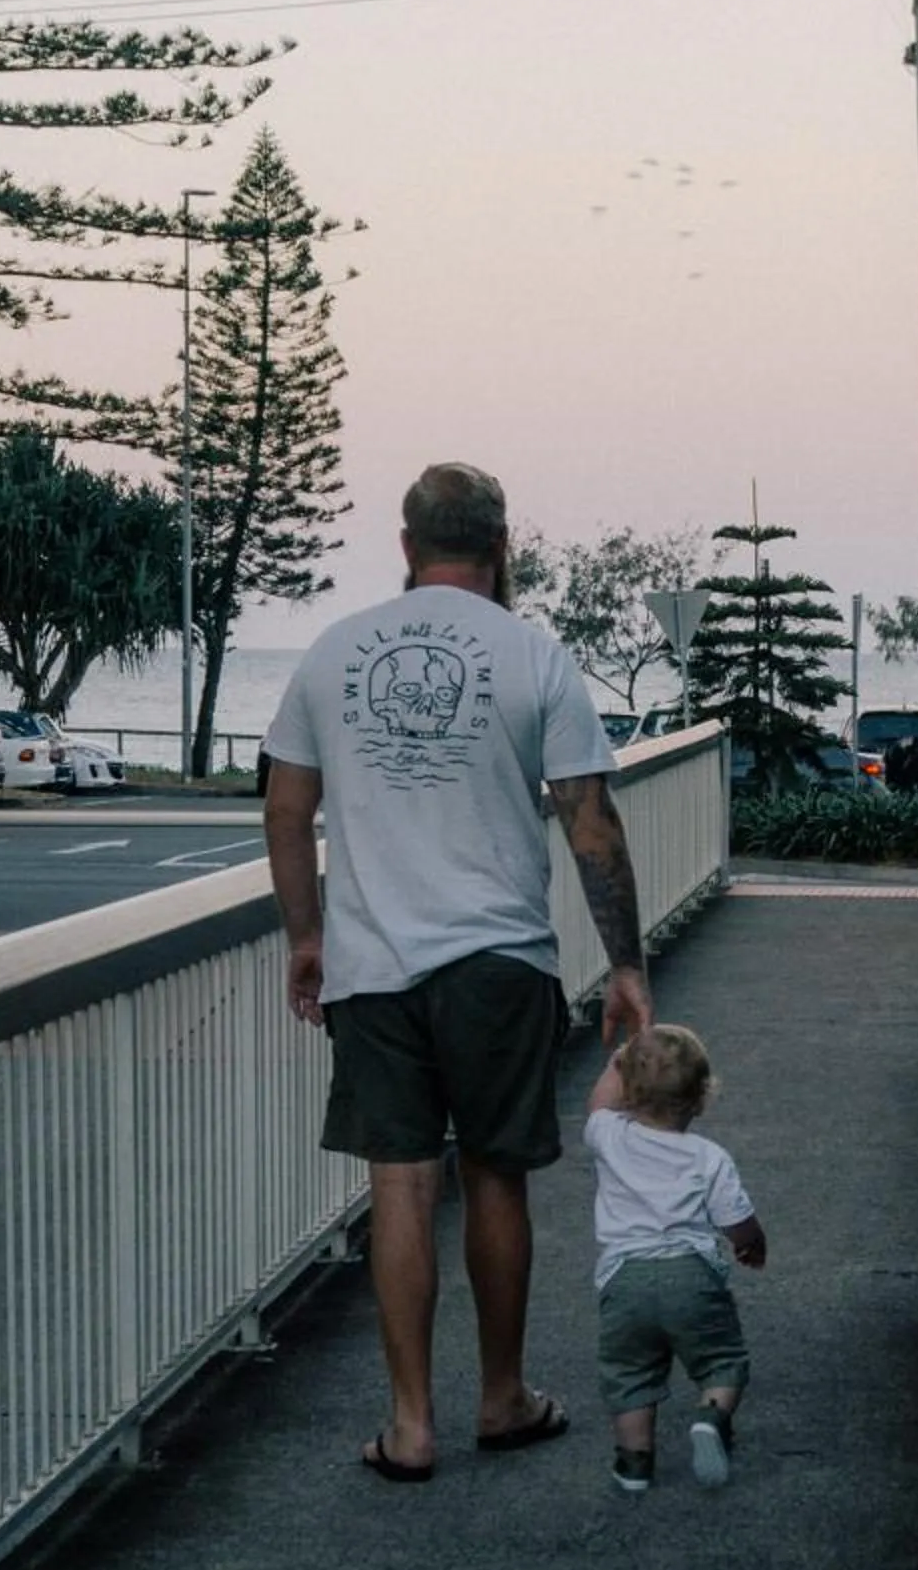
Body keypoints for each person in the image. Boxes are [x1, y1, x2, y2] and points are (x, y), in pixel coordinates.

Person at [262, 461, 653, 1481]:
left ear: (406, 545)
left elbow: (285, 809)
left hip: (374, 965)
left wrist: (307, 937)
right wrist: (626, 965)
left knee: (398, 1185)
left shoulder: (333, 653)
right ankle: (500, 1398)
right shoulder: (532, 654)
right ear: (500, 546)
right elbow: (588, 823)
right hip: (497, 960)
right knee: (492, 1177)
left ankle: (408, 1425)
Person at [584, 1021, 766, 1494]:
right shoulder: (708, 1157)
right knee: (723, 1360)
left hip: (624, 1281)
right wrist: (751, 1244)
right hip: (692, 1276)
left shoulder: (608, 1135)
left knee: (629, 1374)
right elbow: (736, 1219)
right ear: (701, 1097)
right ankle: (711, 1415)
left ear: (626, 1088)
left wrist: (617, 1061)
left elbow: (598, 1103)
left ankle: (634, 1464)